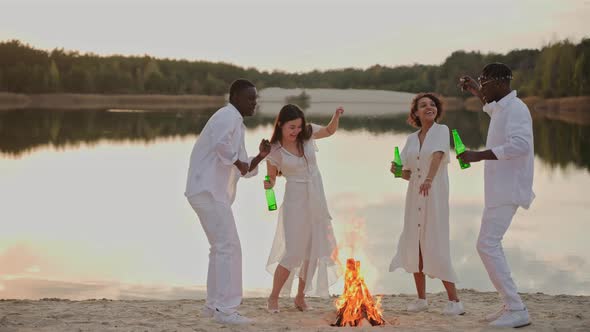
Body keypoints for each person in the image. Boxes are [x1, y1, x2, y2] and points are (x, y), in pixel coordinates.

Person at [185, 79, 271, 325]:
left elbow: (244, 169)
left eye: (255, 98)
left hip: (206, 192)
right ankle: (226, 310)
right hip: (208, 191)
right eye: (249, 98)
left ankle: (213, 306)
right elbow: (222, 146)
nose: (254, 103)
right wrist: (239, 162)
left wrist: (261, 156)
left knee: (220, 248)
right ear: (234, 97)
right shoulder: (227, 116)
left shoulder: (236, 122)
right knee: (229, 247)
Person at [458, 63, 534, 328]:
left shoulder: (516, 109)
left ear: (501, 83)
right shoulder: (502, 106)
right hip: (499, 189)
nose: (482, 86)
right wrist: (476, 90)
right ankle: (509, 304)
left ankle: (516, 308)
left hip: (508, 188)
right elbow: (489, 106)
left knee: (487, 245)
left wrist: (477, 155)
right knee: (488, 244)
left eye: (484, 82)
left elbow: (521, 145)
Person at [389, 93, 464, 316]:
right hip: (414, 196)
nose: (429, 107)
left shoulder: (442, 130)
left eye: (432, 104)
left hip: (434, 195)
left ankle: (455, 301)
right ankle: (421, 299)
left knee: (436, 242)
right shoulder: (411, 139)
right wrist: (396, 171)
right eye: (423, 105)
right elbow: (407, 174)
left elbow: (438, 156)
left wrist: (429, 179)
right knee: (415, 244)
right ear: (416, 113)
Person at [264, 104, 343, 313]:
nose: (296, 131)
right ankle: (273, 298)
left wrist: (335, 116)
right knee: (293, 253)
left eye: (298, 126)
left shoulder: (307, 134)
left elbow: (329, 131)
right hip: (295, 202)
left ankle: (300, 297)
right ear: (280, 124)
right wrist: (268, 184)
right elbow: (271, 178)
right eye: (292, 127)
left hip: (316, 199)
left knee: (313, 252)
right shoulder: (274, 150)